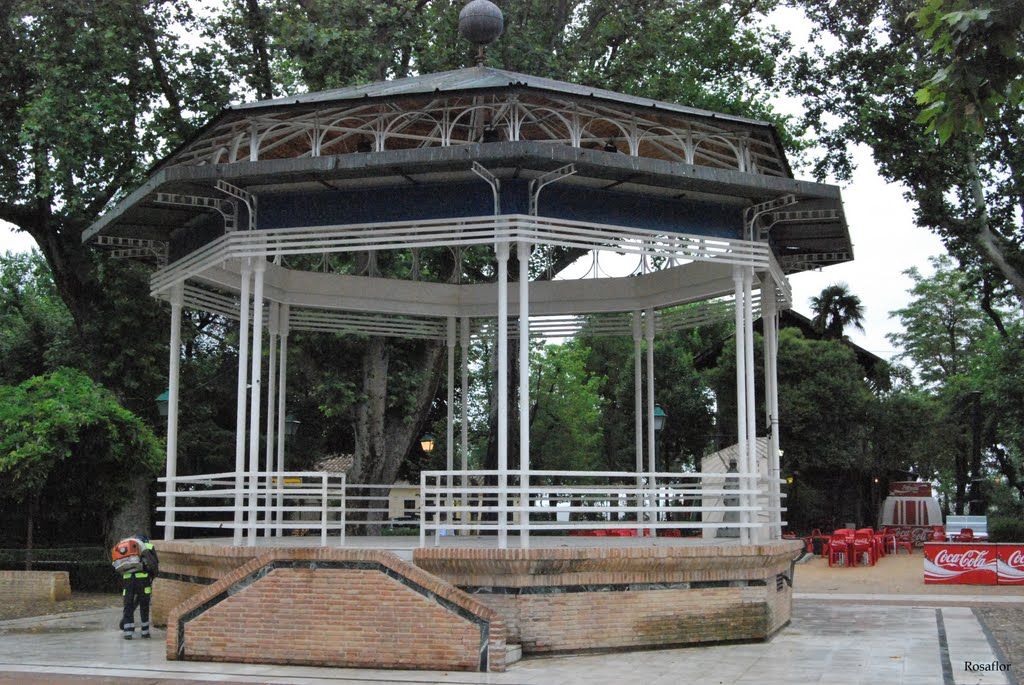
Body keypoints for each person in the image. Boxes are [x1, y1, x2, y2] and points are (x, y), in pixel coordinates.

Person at [119, 534, 158, 640]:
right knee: (144, 605)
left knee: (128, 604)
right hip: (143, 580)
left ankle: (128, 632)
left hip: (128, 580)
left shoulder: (124, 546)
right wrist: (152, 575)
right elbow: (154, 564)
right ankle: (145, 632)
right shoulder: (148, 546)